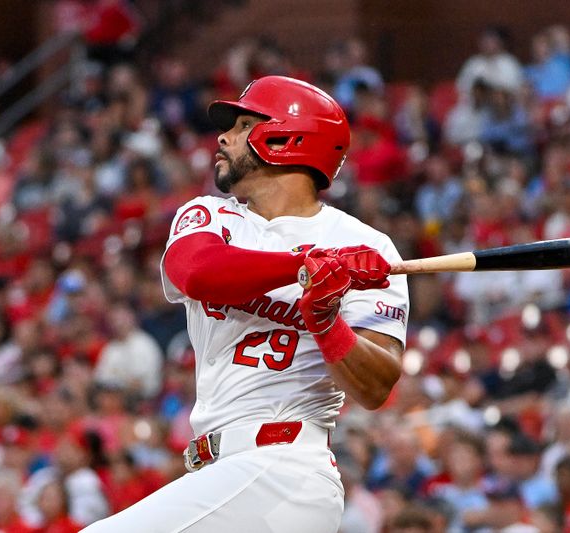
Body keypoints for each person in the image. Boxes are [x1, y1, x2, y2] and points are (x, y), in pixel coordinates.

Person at [83, 75, 409, 532]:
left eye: (242, 125)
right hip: (222, 472)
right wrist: (303, 265)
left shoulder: (366, 246)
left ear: (287, 137)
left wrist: (324, 319)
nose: (223, 136)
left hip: (286, 467)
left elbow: (376, 387)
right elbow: (194, 270)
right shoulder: (211, 215)